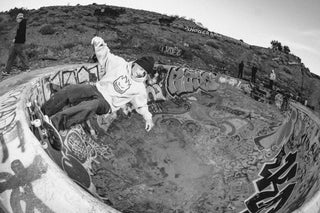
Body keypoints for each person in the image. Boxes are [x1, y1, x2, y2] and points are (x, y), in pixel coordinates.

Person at [42, 36, 155, 133]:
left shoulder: (139, 88)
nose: (140, 73)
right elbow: (106, 55)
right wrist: (99, 42)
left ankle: (54, 124)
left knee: (90, 106)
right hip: (97, 88)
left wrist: (148, 119)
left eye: (143, 72)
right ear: (135, 64)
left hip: (107, 103)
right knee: (71, 90)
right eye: (140, 68)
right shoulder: (120, 64)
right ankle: (44, 111)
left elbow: (142, 105)